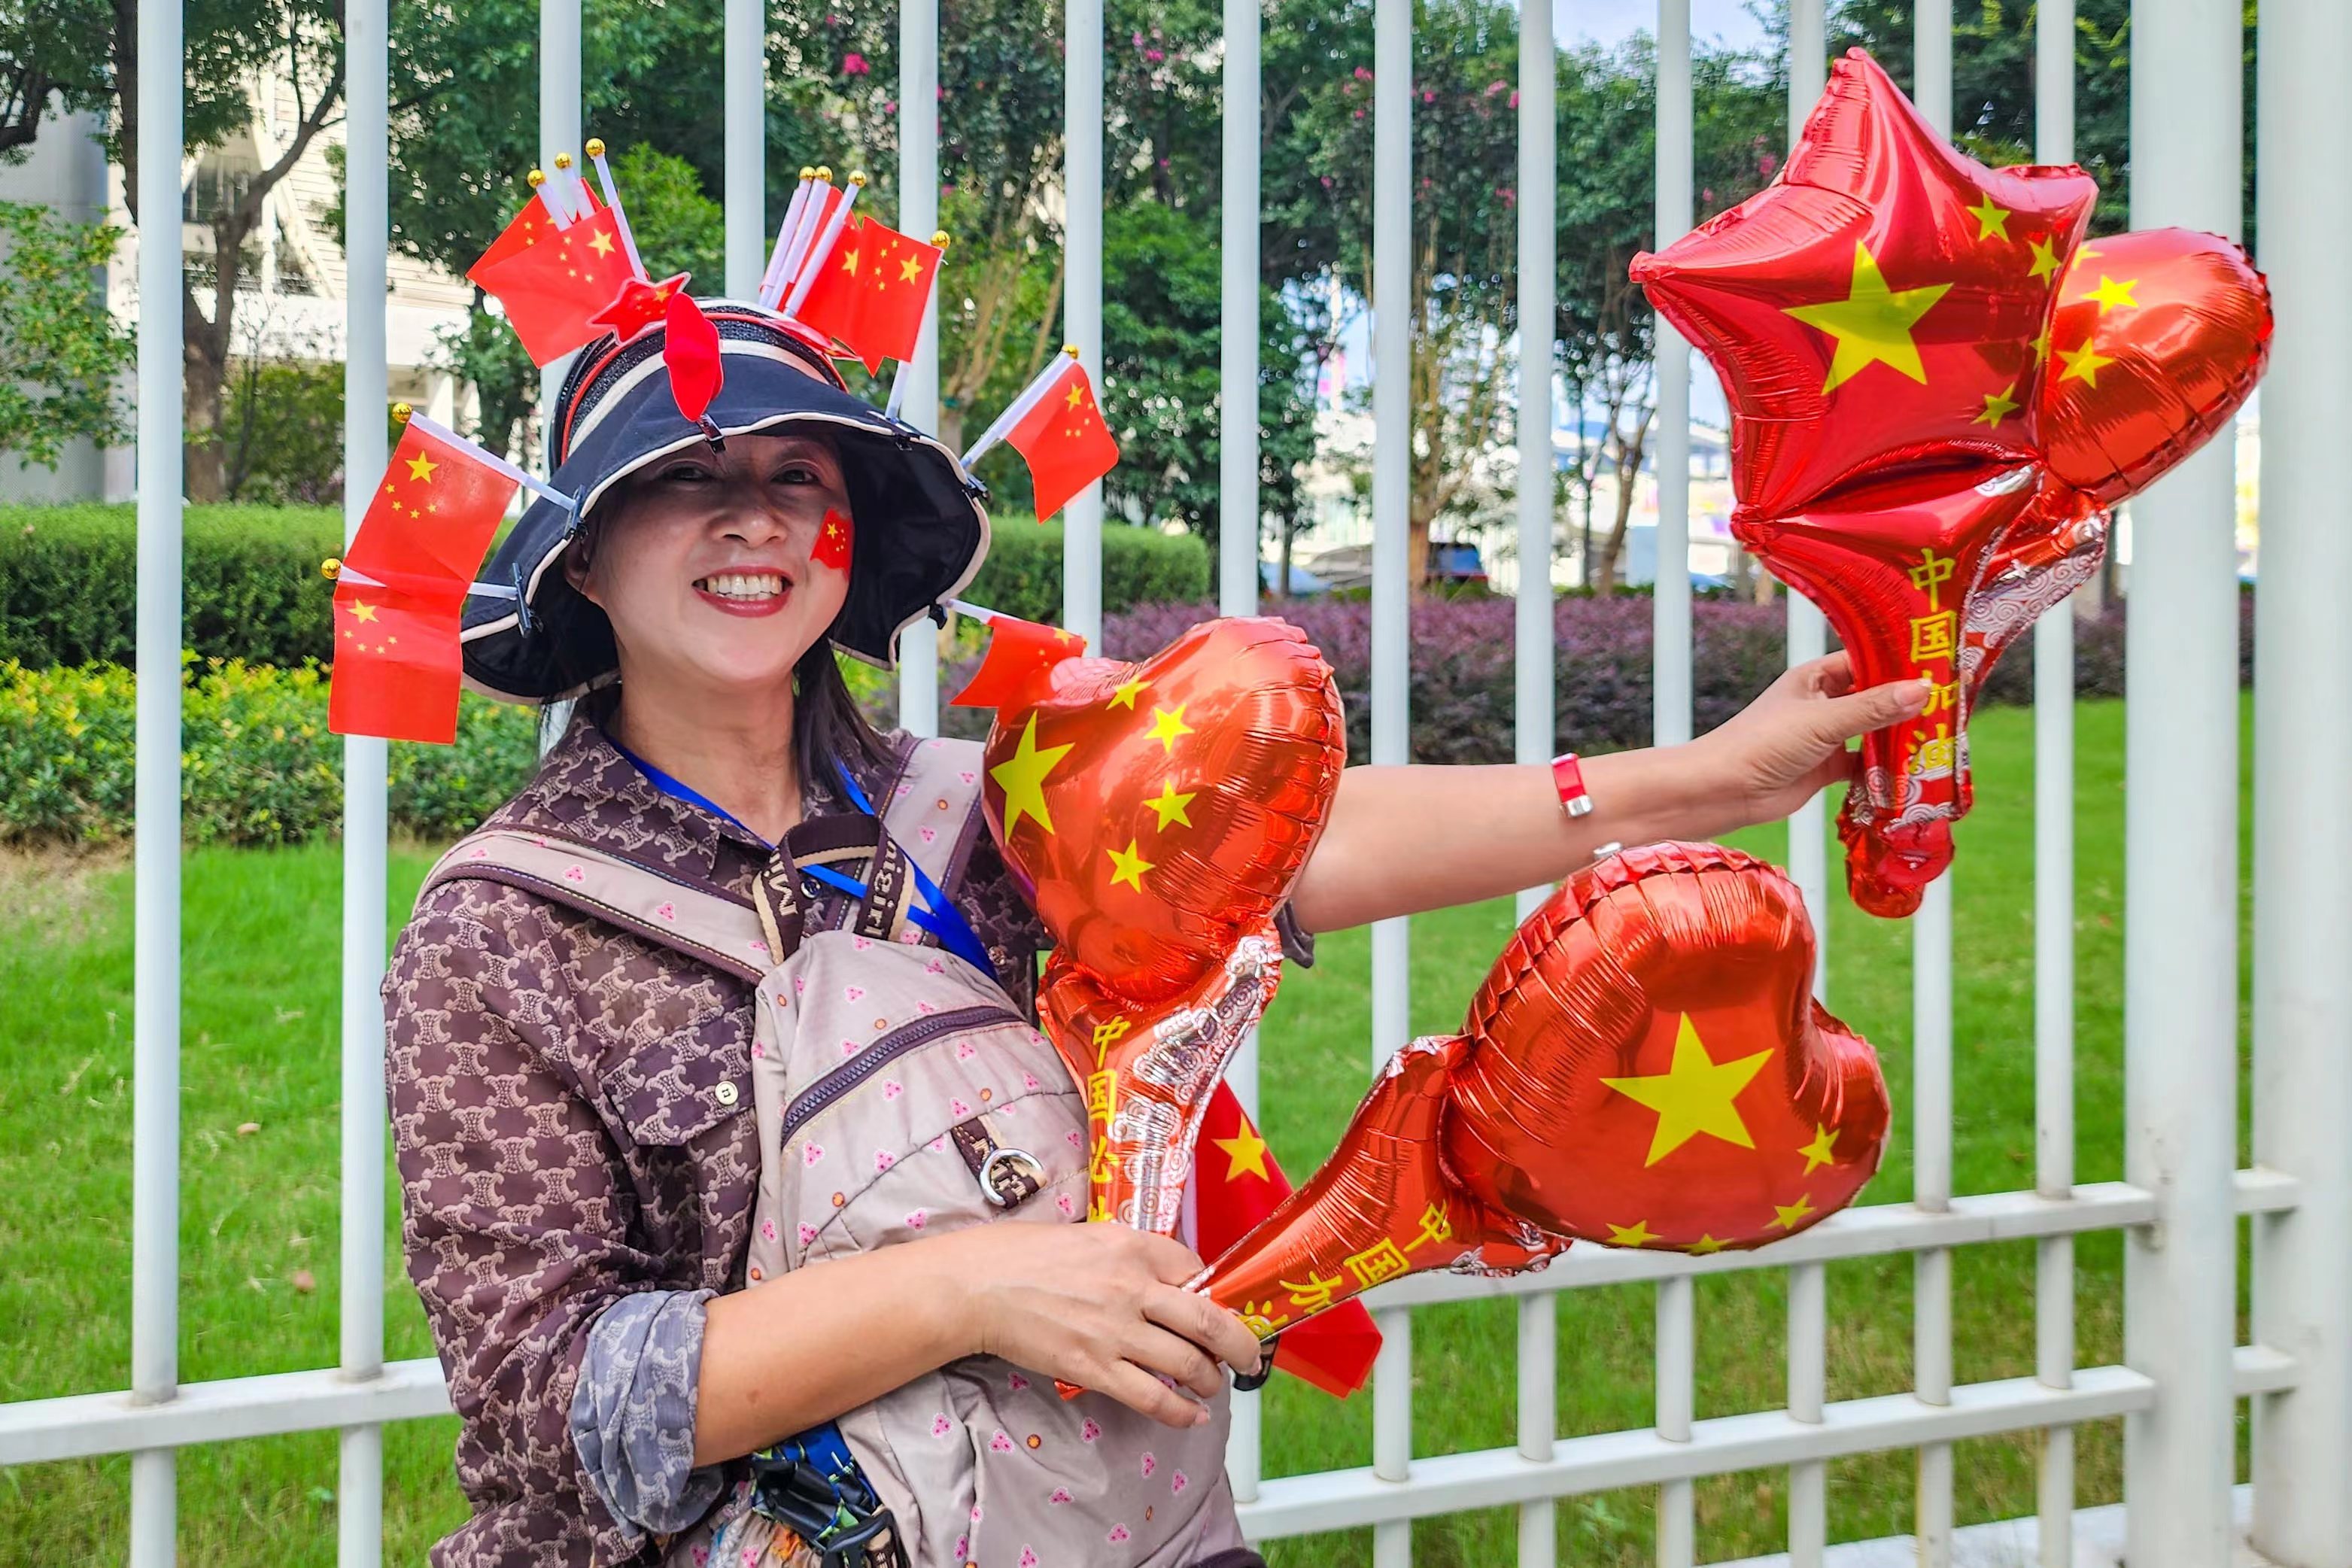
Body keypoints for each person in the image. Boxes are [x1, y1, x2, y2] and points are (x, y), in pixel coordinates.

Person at [384, 298, 1928, 1568]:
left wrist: (1708, 779)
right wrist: (973, 1288)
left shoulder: (976, 809)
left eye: (800, 474)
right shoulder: (503, 929)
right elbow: (553, 1399)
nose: (753, 519)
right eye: (684, 476)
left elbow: (1303, 839)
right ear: (583, 556)